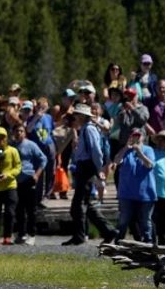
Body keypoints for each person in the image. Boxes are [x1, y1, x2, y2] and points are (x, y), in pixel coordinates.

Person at [63, 103, 117, 246]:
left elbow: (96, 151)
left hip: (87, 167)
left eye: (76, 115)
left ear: (81, 116)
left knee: (78, 205)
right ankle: (108, 231)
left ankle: (80, 235)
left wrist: (98, 168)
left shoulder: (89, 130)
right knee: (87, 204)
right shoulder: (85, 129)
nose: (75, 117)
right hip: (84, 167)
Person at [114, 128, 157, 243]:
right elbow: (116, 161)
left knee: (145, 221)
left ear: (143, 137)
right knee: (123, 220)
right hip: (127, 193)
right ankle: (118, 242)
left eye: (139, 135)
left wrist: (140, 153)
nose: (136, 138)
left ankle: (148, 243)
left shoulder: (148, 150)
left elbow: (150, 165)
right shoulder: (125, 151)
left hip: (145, 193)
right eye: (134, 135)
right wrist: (125, 148)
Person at [11, 123, 46, 245]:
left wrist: (37, 174)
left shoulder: (31, 145)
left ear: (24, 132)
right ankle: (21, 233)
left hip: (29, 179)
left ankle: (32, 234)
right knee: (19, 209)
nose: (18, 133)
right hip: (15, 181)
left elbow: (43, 159)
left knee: (31, 209)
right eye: (16, 131)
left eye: (21, 131)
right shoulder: (11, 146)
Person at [0, 127, 21, 246]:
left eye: (3, 138)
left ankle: (7, 236)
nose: (0, 140)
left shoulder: (13, 151)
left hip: (10, 186)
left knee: (9, 212)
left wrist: (8, 175)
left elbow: (18, 167)